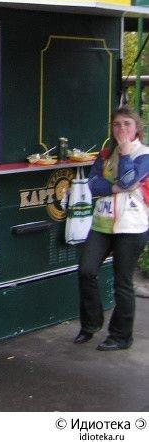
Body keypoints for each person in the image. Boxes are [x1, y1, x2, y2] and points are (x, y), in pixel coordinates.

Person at [74, 106, 149, 351]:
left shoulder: (144, 154)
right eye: (117, 124)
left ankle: (120, 336)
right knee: (86, 270)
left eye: (127, 124)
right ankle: (91, 324)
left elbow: (129, 179)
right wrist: (115, 188)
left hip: (131, 225)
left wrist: (126, 154)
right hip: (102, 223)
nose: (121, 129)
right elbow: (94, 185)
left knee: (122, 282)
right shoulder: (106, 154)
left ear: (137, 128)